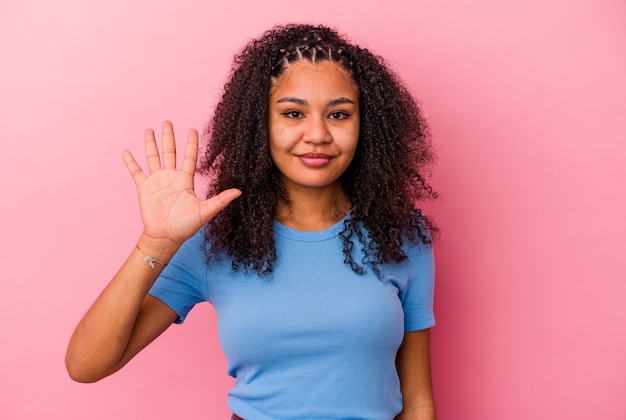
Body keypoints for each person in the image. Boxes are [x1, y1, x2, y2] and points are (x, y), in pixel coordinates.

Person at [66, 23, 438, 420]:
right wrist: (156, 242)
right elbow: (86, 366)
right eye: (293, 113)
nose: (317, 134)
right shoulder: (216, 239)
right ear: (260, 125)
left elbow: (416, 400)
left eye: (339, 114)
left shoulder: (400, 235)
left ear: (366, 126)